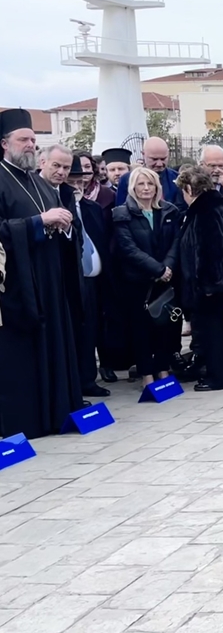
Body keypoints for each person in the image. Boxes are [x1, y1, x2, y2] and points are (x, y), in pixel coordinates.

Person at [0, 109, 83, 438]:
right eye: (24, 140)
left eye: (34, 140)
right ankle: (28, 420)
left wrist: (62, 223)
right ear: (5, 144)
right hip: (18, 285)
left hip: (49, 279)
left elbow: (57, 222)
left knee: (55, 343)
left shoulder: (38, 180)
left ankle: (56, 412)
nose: (31, 145)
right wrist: (39, 223)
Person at [176, 164, 223, 392]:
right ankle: (216, 374)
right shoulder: (213, 207)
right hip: (217, 285)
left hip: (212, 287)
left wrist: (209, 285)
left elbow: (211, 250)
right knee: (214, 332)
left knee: (214, 333)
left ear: (190, 188)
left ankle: (218, 377)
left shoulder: (206, 211)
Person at [112, 166, 181, 387]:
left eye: (150, 183)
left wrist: (167, 267)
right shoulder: (121, 214)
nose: (145, 188)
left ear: (157, 187)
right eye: (141, 183)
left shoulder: (169, 211)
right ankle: (146, 374)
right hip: (138, 282)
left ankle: (162, 368)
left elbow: (176, 243)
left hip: (166, 281)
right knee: (141, 329)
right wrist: (157, 269)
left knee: (165, 327)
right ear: (132, 187)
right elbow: (128, 248)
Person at [66, 153, 114, 399]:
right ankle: (74, 381)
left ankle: (88, 378)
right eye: (72, 180)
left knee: (92, 329)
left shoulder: (92, 208)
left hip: (94, 280)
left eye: (81, 179)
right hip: (71, 280)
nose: (78, 185)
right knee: (74, 330)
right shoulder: (60, 207)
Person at [96, 147, 138, 382]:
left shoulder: (128, 193)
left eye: (121, 168)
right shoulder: (103, 196)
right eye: (112, 169)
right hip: (109, 262)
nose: (116, 173)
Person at [115, 137, 182, 211]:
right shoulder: (127, 179)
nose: (159, 164)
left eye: (163, 159)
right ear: (143, 154)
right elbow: (121, 211)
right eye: (154, 159)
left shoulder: (177, 178)